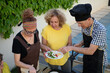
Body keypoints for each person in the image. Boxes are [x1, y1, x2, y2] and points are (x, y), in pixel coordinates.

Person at [58, 3, 107, 73]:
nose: (79, 25)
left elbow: (91, 51)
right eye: (77, 23)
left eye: (80, 23)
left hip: (98, 60)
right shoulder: (84, 25)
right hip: (87, 58)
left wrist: (72, 48)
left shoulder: (100, 29)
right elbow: (87, 38)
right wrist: (80, 44)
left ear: (89, 19)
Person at [12, 8, 46, 73]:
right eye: (29, 32)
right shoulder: (17, 40)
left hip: (36, 64)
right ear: (23, 28)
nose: (32, 34)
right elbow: (17, 62)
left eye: (34, 31)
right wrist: (30, 67)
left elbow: (38, 44)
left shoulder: (36, 33)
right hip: (25, 69)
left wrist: (45, 48)